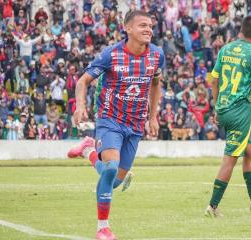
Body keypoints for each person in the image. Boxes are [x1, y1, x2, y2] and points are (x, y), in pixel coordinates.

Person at [73, 10, 165, 240]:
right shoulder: (111, 54)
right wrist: (80, 106)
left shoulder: (157, 55)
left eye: (151, 26)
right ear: (128, 28)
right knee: (111, 167)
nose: (148, 30)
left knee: (113, 181)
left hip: (135, 126)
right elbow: (83, 80)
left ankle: (88, 150)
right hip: (110, 119)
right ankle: (102, 228)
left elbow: (156, 84)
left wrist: (153, 117)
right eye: (143, 25)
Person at [205, 15, 251, 217]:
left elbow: (213, 81)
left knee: (250, 153)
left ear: (240, 30)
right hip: (239, 112)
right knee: (230, 159)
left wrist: (217, 107)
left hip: (224, 109)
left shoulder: (226, 49)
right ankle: (212, 207)